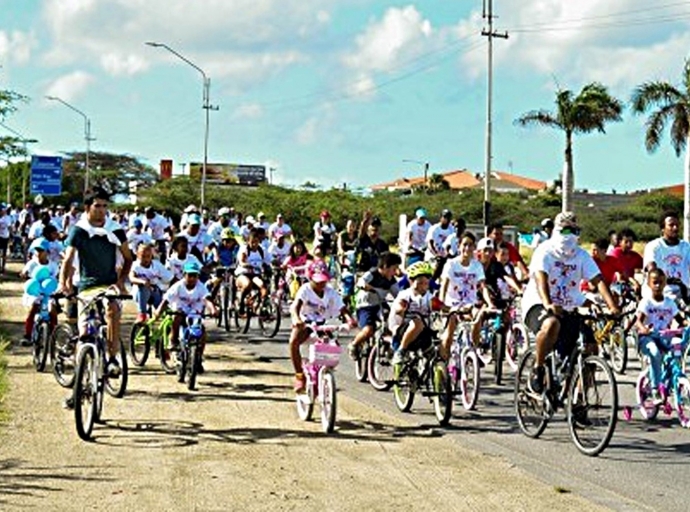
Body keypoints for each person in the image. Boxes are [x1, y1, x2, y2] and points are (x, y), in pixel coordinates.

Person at [521, 212, 620, 394]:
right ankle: (538, 367)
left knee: (591, 348)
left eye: (574, 230)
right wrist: (548, 303)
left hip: (569, 305)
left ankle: (579, 400)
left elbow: (598, 280)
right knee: (551, 323)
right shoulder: (545, 250)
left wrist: (612, 306)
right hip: (538, 303)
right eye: (565, 229)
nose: (570, 234)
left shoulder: (581, 255)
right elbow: (540, 277)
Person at [59, 188, 134, 401]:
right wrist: (64, 284)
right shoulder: (79, 230)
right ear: (87, 208)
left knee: (111, 309)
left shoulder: (116, 229)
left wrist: (120, 281)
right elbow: (68, 258)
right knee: (84, 336)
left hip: (109, 284)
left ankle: (111, 358)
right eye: (97, 206)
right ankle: (78, 387)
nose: (102, 211)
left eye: (104, 206)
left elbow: (129, 258)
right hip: (86, 286)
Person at [288, 260, 356, 392]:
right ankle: (299, 376)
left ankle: (325, 373)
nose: (321, 284)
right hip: (305, 323)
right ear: (310, 277)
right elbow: (295, 307)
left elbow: (342, 308)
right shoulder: (305, 289)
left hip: (323, 324)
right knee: (293, 342)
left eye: (324, 281)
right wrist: (296, 319)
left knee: (332, 347)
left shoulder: (330, 292)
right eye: (318, 281)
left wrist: (350, 320)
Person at [154, 262, 217, 370]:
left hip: (194, 313)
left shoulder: (200, 287)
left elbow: (207, 300)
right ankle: (173, 340)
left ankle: (198, 357)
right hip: (180, 310)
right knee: (177, 317)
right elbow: (166, 299)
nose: (192, 278)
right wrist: (159, 310)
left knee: (201, 331)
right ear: (184, 275)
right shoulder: (178, 286)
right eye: (190, 275)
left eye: (195, 276)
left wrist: (213, 309)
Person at [635, 268, 686, 404]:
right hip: (648, 338)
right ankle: (655, 389)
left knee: (678, 347)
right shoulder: (647, 302)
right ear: (649, 284)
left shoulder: (669, 302)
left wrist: (686, 324)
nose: (658, 286)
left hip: (664, 336)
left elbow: (681, 320)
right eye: (655, 282)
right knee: (655, 353)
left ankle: (671, 379)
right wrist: (643, 329)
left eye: (661, 283)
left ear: (665, 284)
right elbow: (638, 321)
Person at [438, 233, 487, 359]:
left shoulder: (477, 265)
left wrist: (489, 303)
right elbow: (444, 285)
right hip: (452, 305)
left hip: (469, 304)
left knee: (478, 317)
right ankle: (444, 364)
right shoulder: (451, 264)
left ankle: (473, 352)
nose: (468, 248)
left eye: (471, 245)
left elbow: (483, 286)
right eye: (465, 244)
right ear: (459, 246)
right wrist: (441, 304)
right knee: (449, 334)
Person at [347, 252, 402, 359]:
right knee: (368, 330)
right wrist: (365, 286)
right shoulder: (372, 273)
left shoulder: (391, 280)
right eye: (394, 269)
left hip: (379, 304)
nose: (396, 272)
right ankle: (353, 345)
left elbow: (398, 294)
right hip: (365, 305)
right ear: (385, 267)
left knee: (392, 320)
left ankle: (387, 346)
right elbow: (360, 281)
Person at [389, 261, 436, 367]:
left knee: (436, 346)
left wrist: (457, 309)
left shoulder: (429, 296)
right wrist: (401, 309)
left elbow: (441, 306)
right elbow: (399, 307)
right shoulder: (405, 295)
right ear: (411, 281)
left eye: (426, 283)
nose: (423, 286)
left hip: (422, 332)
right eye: (420, 283)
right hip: (402, 330)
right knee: (417, 322)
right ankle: (401, 350)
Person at [643, 211, 690, 301]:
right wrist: (666, 280)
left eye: (677, 225)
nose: (675, 228)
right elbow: (651, 269)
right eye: (671, 225)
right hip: (660, 295)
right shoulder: (654, 246)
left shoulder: (686, 246)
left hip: (682, 293)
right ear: (663, 228)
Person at [19, 239, 59, 346]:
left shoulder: (53, 265)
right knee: (33, 308)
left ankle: (53, 335)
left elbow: (56, 278)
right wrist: (24, 275)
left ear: (47, 252)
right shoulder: (32, 264)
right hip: (35, 292)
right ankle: (27, 335)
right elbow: (24, 273)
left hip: (48, 293)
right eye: (36, 250)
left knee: (53, 311)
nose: (38, 252)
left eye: (41, 250)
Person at [129, 243, 173, 322]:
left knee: (165, 313)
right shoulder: (135, 265)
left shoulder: (157, 265)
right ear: (138, 256)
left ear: (151, 256)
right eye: (143, 256)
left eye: (148, 256)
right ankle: (142, 314)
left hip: (154, 291)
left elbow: (170, 277)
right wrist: (142, 282)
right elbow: (131, 278)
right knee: (143, 287)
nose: (146, 259)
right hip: (140, 294)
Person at [235, 230, 269, 313]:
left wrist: (280, 265)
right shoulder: (244, 249)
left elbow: (269, 260)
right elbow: (242, 261)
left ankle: (263, 306)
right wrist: (247, 265)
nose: (254, 244)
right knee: (247, 284)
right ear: (248, 241)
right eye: (252, 242)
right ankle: (241, 303)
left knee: (262, 285)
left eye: (256, 242)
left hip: (255, 274)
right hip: (243, 273)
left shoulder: (262, 250)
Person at [610, 228, 643, 295]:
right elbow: (621, 273)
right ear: (620, 242)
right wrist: (634, 282)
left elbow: (645, 266)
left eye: (631, 242)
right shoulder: (615, 253)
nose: (629, 244)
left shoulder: (635, 256)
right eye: (626, 242)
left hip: (628, 284)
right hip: (614, 284)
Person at [425, 209, 454, 280]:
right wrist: (436, 254)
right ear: (441, 217)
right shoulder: (434, 228)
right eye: (445, 217)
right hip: (432, 256)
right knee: (436, 268)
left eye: (448, 217)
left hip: (445, 255)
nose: (446, 219)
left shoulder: (451, 229)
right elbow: (430, 243)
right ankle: (431, 282)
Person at [0, 203, 13, 274]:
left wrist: (11, 236)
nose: (3, 211)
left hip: (5, 237)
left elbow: (9, 227)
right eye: (2, 210)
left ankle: (3, 267)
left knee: (4, 253)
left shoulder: (8, 218)